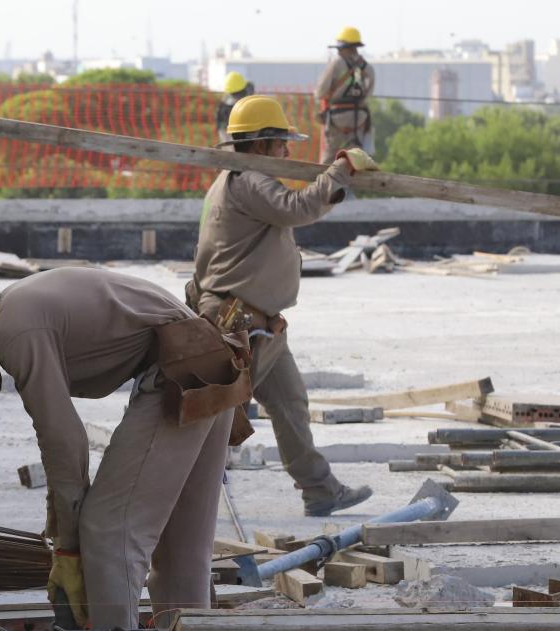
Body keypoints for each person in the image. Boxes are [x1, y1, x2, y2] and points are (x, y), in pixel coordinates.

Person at [0, 267, 256, 630]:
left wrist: (68, 547)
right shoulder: (17, 311)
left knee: (110, 530)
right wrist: (61, 532)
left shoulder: (15, 332)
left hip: (184, 368)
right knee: (181, 551)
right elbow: (59, 451)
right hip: (209, 360)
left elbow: (64, 441)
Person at [191, 95, 378, 518]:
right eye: (281, 144)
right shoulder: (250, 180)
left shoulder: (231, 180)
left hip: (255, 321)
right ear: (260, 145)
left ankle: (320, 489)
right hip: (240, 321)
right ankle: (183, 494)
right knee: (217, 416)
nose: (287, 153)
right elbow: (299, 208)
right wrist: (340, 171)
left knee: (290, 404)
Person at [315, 26, 375, 163]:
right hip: (360, 118)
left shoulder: (337, 63)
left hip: (338, 117)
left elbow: (320, 92)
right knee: (355, 160)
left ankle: (323, 183)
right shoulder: (367, 67)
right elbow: (369, 92)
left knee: (329, 158)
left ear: (342, 47)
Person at [216, 71, 256, 143]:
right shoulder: (224, 108)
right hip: (229, 130)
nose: (236, 98)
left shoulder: (249, 90)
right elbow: (222, 128)